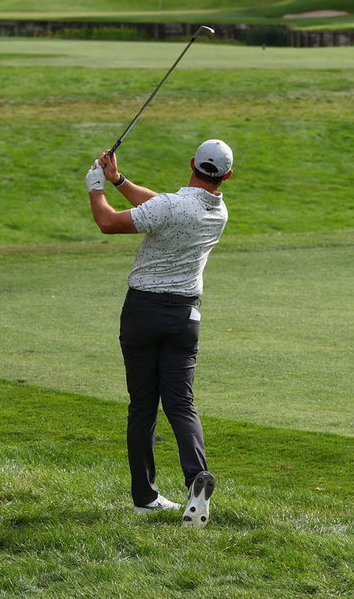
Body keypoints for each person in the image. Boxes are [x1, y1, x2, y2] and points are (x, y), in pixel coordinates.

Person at [85, 138, 233, 526]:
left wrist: (96, 187)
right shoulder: (218, 211)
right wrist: (120, 180)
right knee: (181, 404)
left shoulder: (170, 206)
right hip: (185, 317)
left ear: (192, 163)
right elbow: (159, 207)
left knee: (143, 407)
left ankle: (144, 497)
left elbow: (108, 223)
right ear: (227, 176)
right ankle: (195, 477)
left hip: (144, 312)